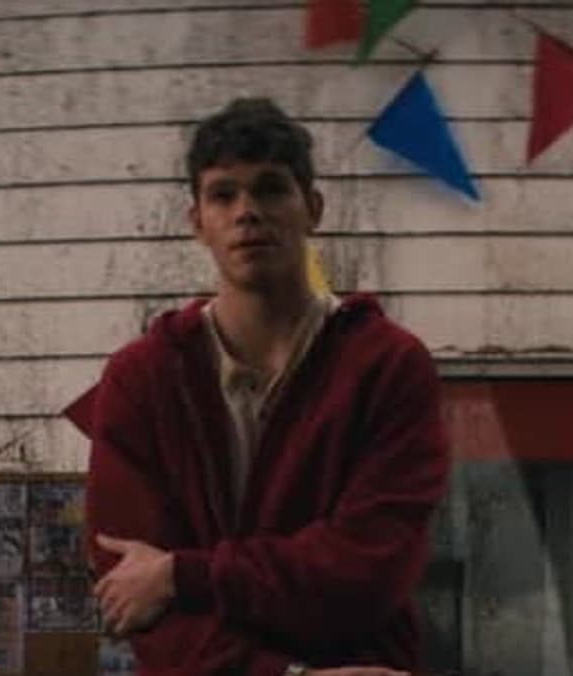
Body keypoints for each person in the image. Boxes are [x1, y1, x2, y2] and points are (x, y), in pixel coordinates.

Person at [64, 98, 449, 676]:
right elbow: (133, 594)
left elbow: (370, 566)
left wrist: (184, 575)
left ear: (312, 208)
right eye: (224, 195)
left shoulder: (386, 365)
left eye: (270, 189)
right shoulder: (143, 377)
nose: (247, 212)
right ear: (197, 222)